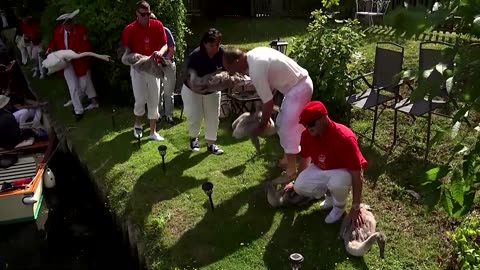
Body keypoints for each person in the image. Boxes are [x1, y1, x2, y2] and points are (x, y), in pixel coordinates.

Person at [222, 46, 313, 177]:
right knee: (286, 124)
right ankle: (289, 160)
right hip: (297, 86)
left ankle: (291, 170)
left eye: (229, 69)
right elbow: (269, 92)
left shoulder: (255, 69)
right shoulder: (254, 54)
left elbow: (268, 103)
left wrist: (261, 126)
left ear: (236, 62)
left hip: (299, 88)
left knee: (288, 129)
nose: (230, 73)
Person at [283, 101, 368, 225]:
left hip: (344, 170)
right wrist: (295, 182)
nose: (308, 127)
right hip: (322, 167)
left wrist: (356, 207)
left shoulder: (345, 138)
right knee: (300, 186)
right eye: (305, 124)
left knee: (337, 182)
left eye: (311, 123)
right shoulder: (306, 135)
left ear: (324, 118)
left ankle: (339, 206)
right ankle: (329, 196)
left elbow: (357, 173)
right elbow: (305, 160)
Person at [121, 1, 168, 141]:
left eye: (148, 14)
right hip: (138, 68)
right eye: (143, 14)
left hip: (153, 66)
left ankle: (153, 132)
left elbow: (165, 44)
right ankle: (138, 125)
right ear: (137, 13)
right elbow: (126, 51)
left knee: (154, 98)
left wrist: (160, 52)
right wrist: (130, 57)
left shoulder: (157, 25)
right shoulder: (129, 29)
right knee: (140, 99)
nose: (147, 17)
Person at [46, 10, 99, 121]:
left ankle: (82, 100)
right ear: (62, 24)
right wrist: (50, 48)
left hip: (79, 61)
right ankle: (78, 110)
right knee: (72, 86)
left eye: (70, 22)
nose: (69, 25)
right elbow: (53, 41)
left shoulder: (80, 30)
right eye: (67, 23)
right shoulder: (58, 31)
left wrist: (79, 53)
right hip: (66, 62)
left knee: (84, 84)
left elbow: (86, 44)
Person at [182, 28, 225, 155]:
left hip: (212, 90)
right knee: (195, 116)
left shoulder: (221, 54)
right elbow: (188, 76)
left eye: (217, 45)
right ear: (205, 43)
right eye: (212, 45)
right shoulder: (195, 56)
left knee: (213, 116)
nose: (215, 48)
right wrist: (195, 87)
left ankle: (211, 144)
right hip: (192, 90)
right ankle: (193, 139)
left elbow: (226, 70)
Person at [150, 13, 176, 124]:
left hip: (168, 65)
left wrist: (165, 61)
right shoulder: (146, 34)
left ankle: (169, 116)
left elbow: (172, 48)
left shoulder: (165, 31)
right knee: (156, 92)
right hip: (155, 67)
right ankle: (158, 115)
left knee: (168, 92)